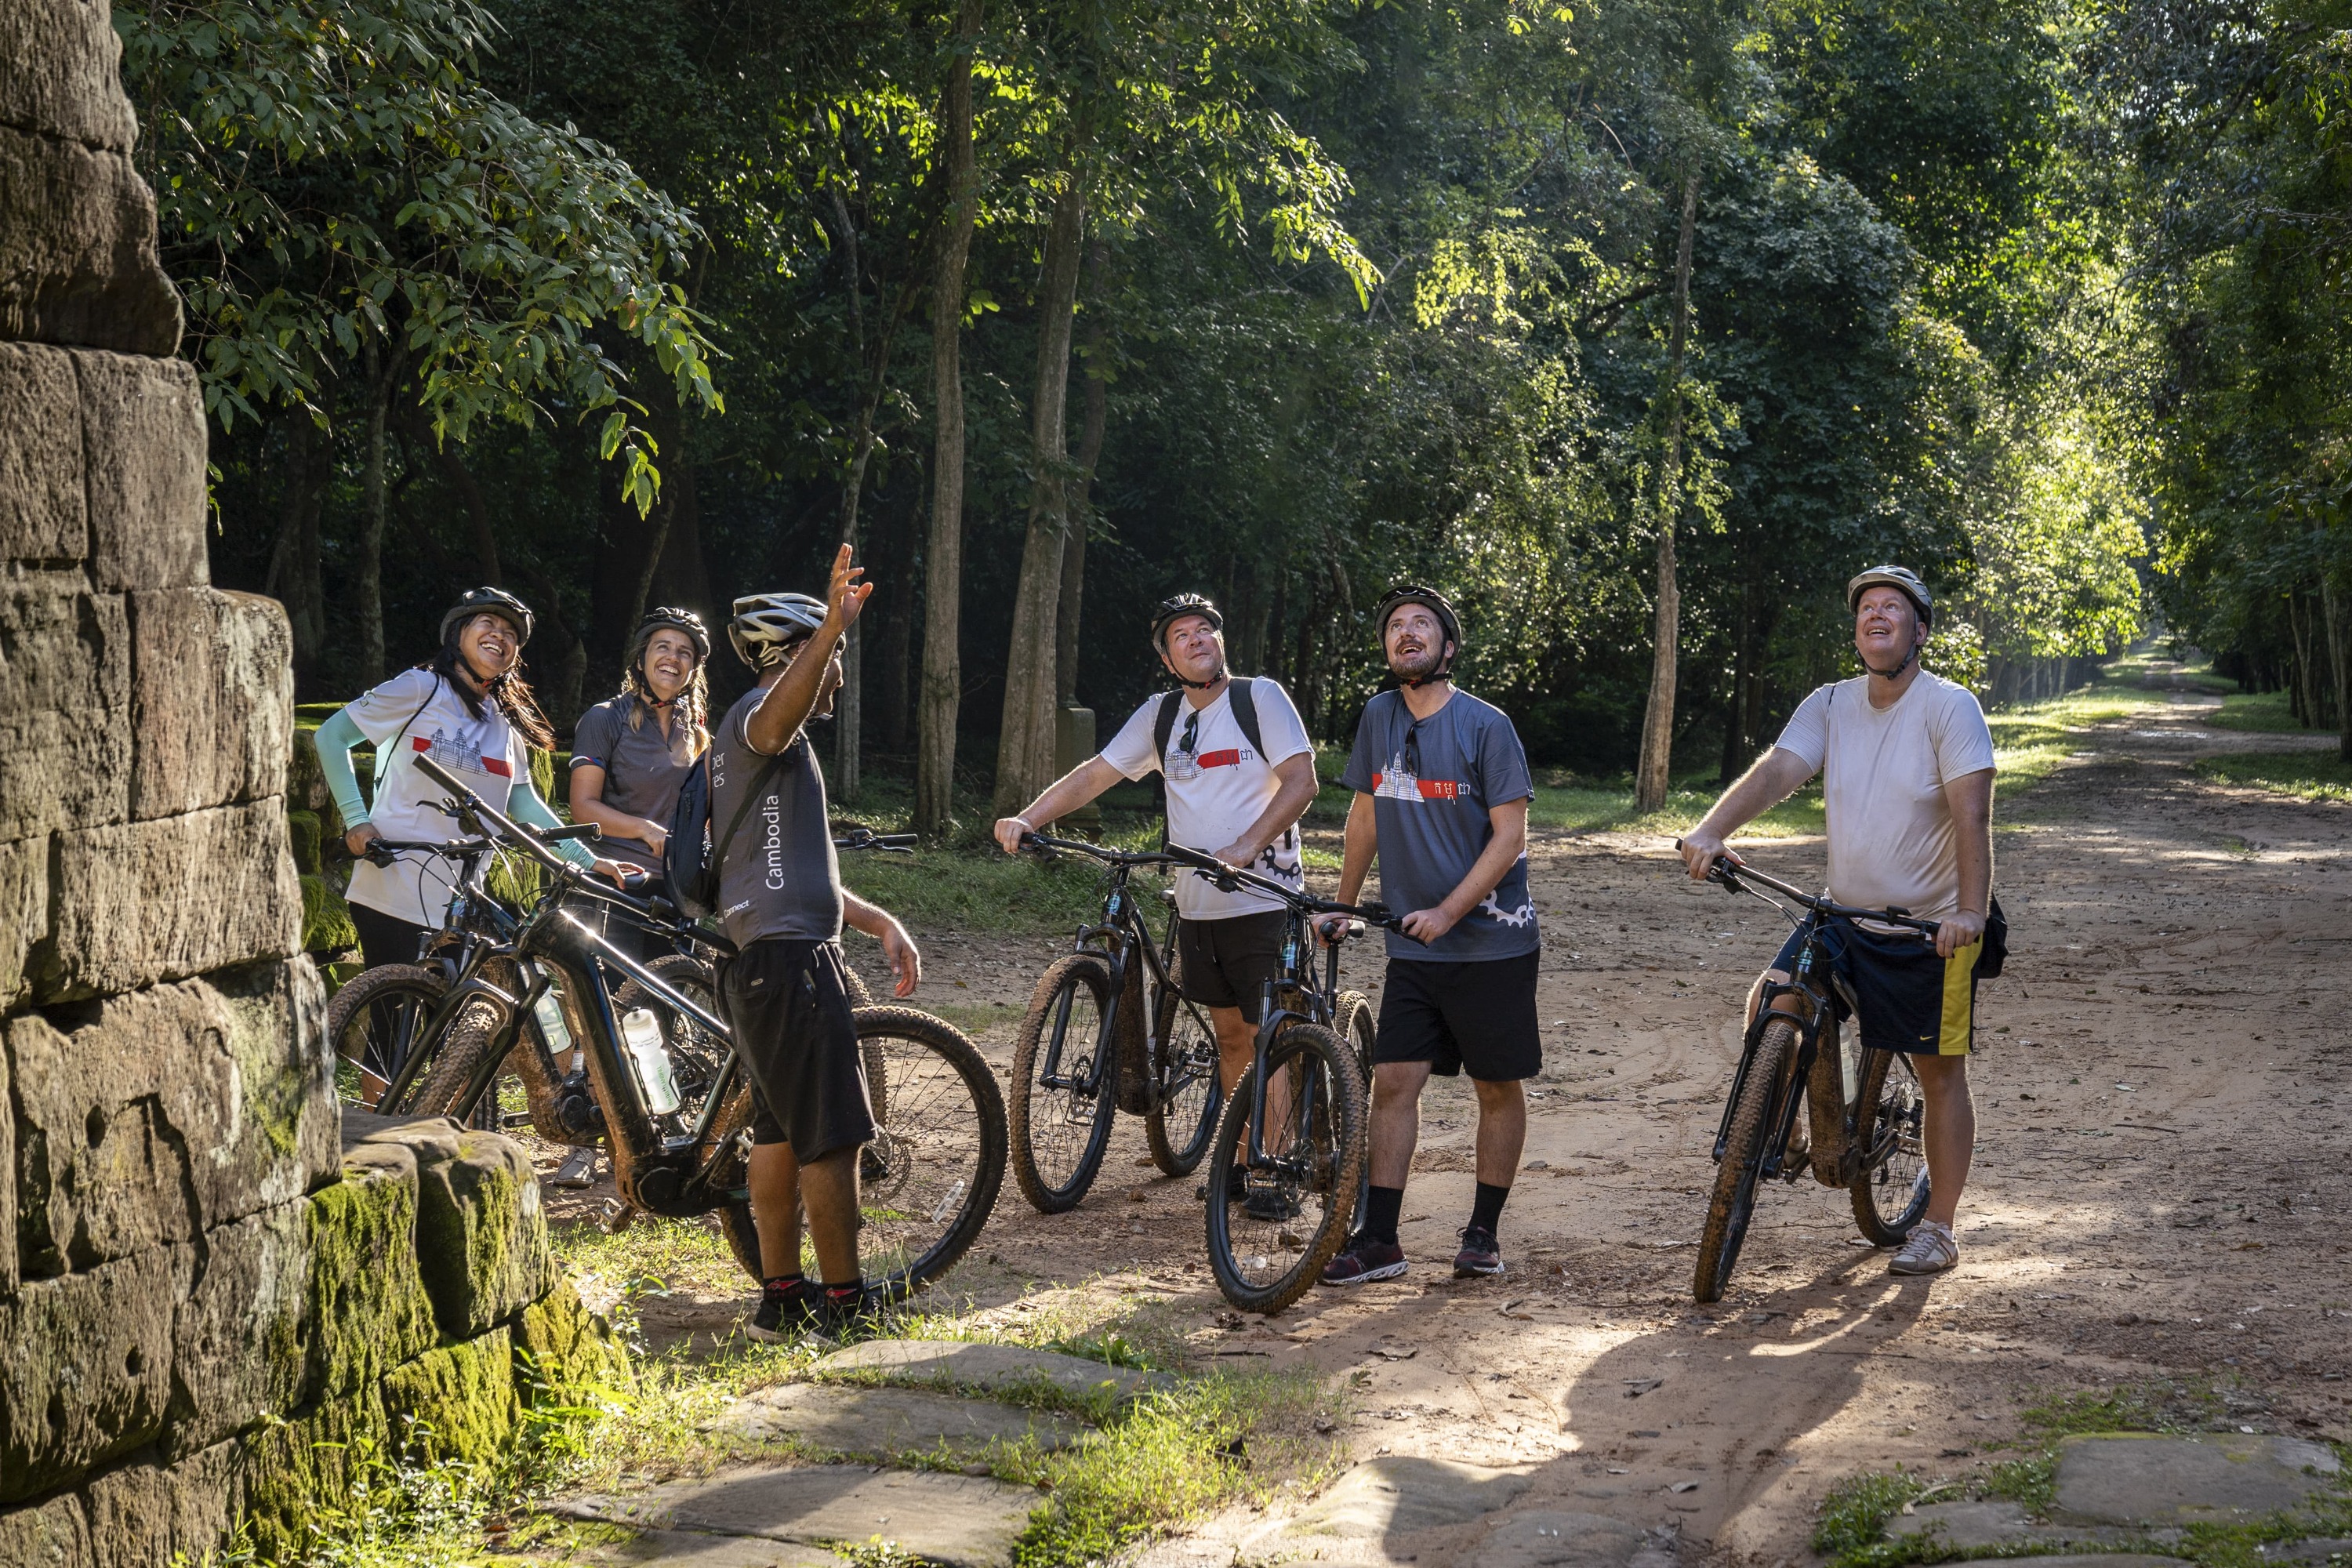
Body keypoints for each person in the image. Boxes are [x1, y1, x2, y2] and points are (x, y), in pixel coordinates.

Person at [1678, 564, 1994, 1277]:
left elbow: (1973, 815)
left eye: (1893, 607)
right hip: (1845, 914)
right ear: (1856, 631)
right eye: (1866, 608)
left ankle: (1939, 1227)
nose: (1876, 615)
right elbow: (1777, 770)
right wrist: (1712, 829)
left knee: (1940, 1073)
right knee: (1773, 999)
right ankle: (1781, 1126)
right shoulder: (1830, 703)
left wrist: (1969, 911)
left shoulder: (1951, 708)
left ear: (1920, 631)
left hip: (1930, 927)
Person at [991, 593, 1320, 1181]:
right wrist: (1029, 818)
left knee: (1263, 1037)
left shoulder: (1259, 698)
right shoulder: (1160, 716)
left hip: (1264, 898)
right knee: (1229, 1038)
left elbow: (1302, 782)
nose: (1196, 640)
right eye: (1181, 636)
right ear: (1168, 660)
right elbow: (1096, 773)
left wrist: (1245, 847)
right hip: (1199, 908)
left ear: (1220, 641)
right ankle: (1244, 1159)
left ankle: (1272, 1172)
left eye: (1204, 630)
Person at [714, 546, 924, 1339]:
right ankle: (845, 1303)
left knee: (778, 1130)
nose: (839, 674)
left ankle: (781, 1298)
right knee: (833, 1138)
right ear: (799, 654)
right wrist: (831, 629)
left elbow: (793, 869)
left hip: (763, 959)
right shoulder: (757, 721)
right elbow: (777, 716)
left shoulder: (762, 748)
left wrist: (877, 921)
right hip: (790, 963)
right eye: (832, 657)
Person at [1319, 585, 1543, 1287]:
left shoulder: (1486, 725)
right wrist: (1343, 903)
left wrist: (1448, 912)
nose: (1407, 632)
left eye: (1422, 624)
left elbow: (1510, 838)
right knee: (1394, 1082)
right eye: (1396, 625)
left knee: (1495, 1086)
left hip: (1492, 944)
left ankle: (1483, 1233)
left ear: (1447, 646)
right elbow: (1365, 816)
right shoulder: (1378, 716)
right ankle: (1381, 1241)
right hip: (1412, 946)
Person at [316, 587, 632, 981]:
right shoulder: (419, 688)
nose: (500, 635)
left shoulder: (505, 725)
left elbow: (525, 805)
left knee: (452, 1017)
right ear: (459, 633)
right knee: (394, 1013)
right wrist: (356, 820)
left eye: (511, 633)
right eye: (488, 623)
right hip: (392, 886)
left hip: (461, 904)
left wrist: (587, 860)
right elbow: (331, 737)